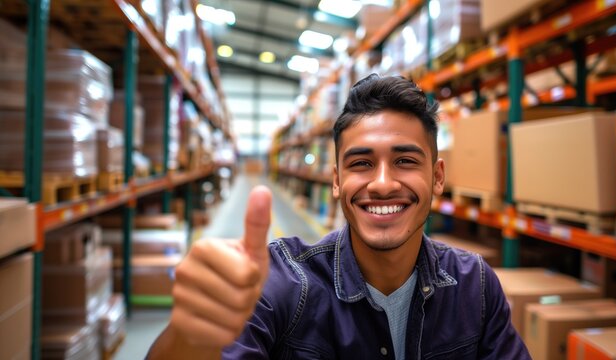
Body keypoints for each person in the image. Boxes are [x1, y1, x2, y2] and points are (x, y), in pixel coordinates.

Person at [147, 74, 531, 359]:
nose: (382, 184)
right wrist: (186, 339)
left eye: (405, 161)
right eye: (361, 163)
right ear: (336, 181)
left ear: (438, 177)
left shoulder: (475, 287)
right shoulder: (281, 285)